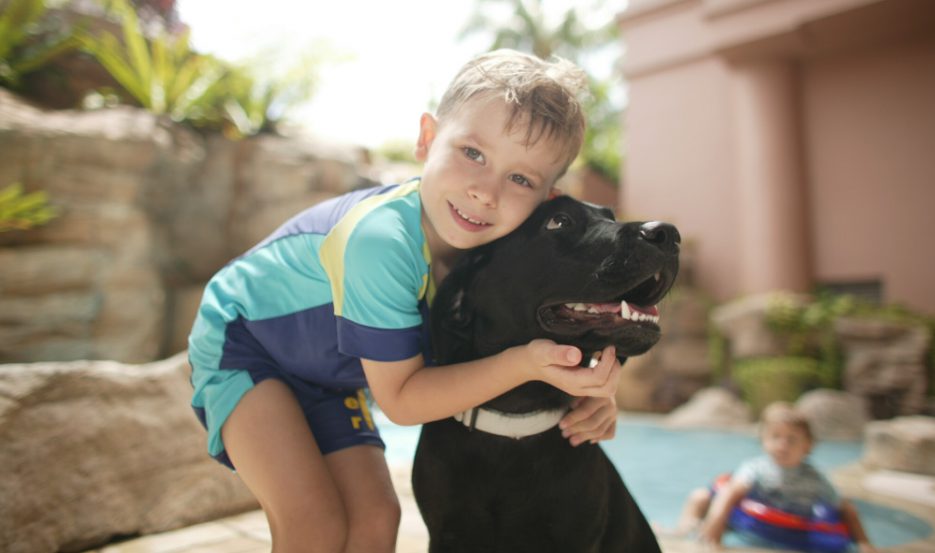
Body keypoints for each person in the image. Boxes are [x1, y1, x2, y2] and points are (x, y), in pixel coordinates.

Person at [187, 49, 623, 553]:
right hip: (245, 344)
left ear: (547, 198)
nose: (485, 192)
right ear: (427, 139)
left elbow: (561, 326)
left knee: (376, 518)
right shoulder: (382, 241)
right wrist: (525, 363)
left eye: (520, 178)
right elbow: (402, 401)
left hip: (326, 374)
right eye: (473, 153)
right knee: (314, 522)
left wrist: (595, 390)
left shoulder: (491, 250)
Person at [671, 402, 876, 552]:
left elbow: (846, 509)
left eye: (791, 439)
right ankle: (683, 528)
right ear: (763, 440)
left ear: (808, 446)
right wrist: (714, 527)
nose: (782, 445)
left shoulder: (815, 480)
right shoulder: (756, 468)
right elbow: (730, 492)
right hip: (744, 519)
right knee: (699, 496)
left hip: (793, 524)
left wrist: (863, 543)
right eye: (775, 437)